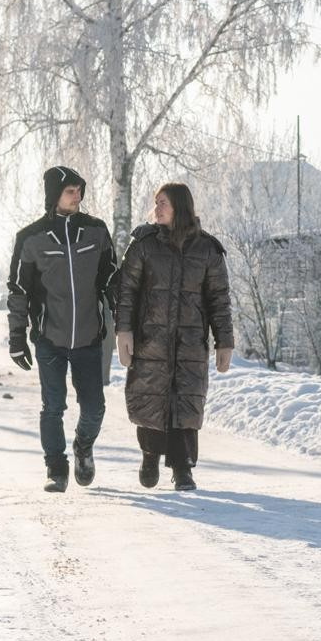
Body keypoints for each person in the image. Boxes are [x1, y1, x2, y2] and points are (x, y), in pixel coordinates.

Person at [7, 165, 119, 492]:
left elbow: (112, 280)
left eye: (80, 190)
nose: (78, 196)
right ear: (54, 194)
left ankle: (83, 446)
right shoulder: (30, 239)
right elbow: (18, 291)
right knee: (53, 406)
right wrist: (17, 337)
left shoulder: (96, 231)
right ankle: (56, 468)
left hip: (88, 337)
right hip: (49, 338)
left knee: (95, 406)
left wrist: (123, 321)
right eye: (71, 191)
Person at [115, 182, 233, 492]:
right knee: (151, 398)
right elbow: (126, 291)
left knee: (186, 403)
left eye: (163, 202)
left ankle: (183, 469)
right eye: (156, 202)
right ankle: (150, 455)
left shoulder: (207, 249)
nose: (158, 207)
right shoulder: (143, 244)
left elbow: (219, 299)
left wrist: (225, 341)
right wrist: (123, 331)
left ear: (181, 206)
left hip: (190, 343)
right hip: (149, 339)